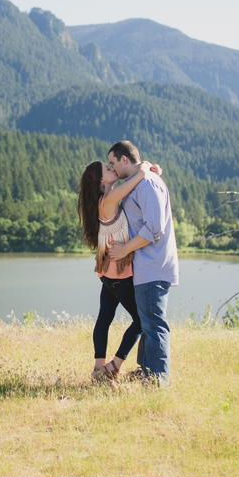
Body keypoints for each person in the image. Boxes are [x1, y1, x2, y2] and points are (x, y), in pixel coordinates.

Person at [77, 158, 159, 383]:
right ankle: (114, 365)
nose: (112, 168)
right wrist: (145, 168)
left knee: (105, 317)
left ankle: (97, 369)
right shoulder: (108, 199)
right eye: (107, 167)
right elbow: (136, 180)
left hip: (107, 273)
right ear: (101, 180)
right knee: (141, 321)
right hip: (119, 275)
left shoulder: (102, 201)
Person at [106, 140, 179, 386]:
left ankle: (158, 379)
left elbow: (155, 228)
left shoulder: (147, 183)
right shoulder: (138, 182)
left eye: (113, 162)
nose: (112, 168)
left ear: (124, 159)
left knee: (154, 323)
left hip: (153, 265)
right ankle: (147, 371)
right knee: (148, 322)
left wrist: (126, 248)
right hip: (145, 266)